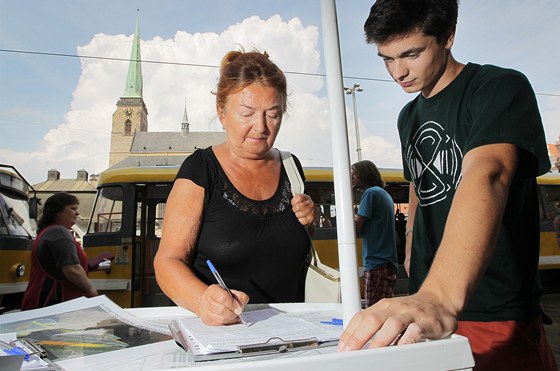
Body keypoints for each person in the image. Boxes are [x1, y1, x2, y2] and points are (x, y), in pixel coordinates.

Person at [338, 1, 557, 370]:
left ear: (448, 36)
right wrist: (410, 242)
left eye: (411, 54)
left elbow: (487, 173)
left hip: (491, 305)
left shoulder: (498, 87)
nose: (398, 72)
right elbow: (418, 183)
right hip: (425, 303)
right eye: (386, 59)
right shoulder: (408, 116)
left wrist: (440, 296)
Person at [154, 49, 314, 326]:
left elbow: (290, 248)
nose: (260, 127)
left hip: (291, 335)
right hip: (222, 337)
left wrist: (309, 222)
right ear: (222, 112)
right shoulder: (200, 169)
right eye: (246, 113)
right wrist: (202, 300)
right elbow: (167, 262)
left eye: (273, 114)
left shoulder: (292, 167)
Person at [21, 192, 100, 310]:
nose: (77, 213)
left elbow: (56, 265)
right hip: (55, 300)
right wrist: (91, 290)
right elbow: (71, 269)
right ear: (57, 211)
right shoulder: (59, 232)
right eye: (73, 209)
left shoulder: (48, 231)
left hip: (42, 297)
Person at [351, 160, 398, 307]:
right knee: (384, 308)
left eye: (354, 175)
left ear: (364, 175)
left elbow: (356, 226)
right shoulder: (383, 194)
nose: (352, 178)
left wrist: (348, 195)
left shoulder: (370, 194)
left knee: (374, 309)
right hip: (387, 261)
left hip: (376, 260)